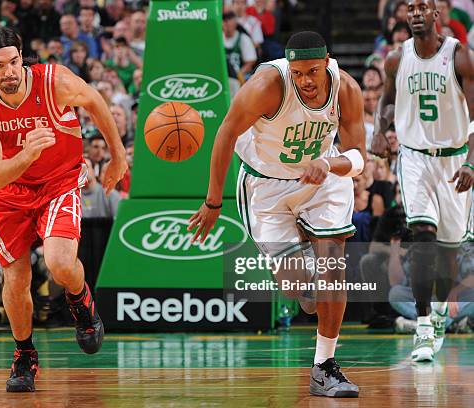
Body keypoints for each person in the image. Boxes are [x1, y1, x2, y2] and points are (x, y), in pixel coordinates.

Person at [188, 31, 366, 398]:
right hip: (266, 185)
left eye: (313, 71)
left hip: (321, 177)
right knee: (300, 290)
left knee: (333, 268)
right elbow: (224, 134)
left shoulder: (346, 89)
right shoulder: (267, 85)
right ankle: (302, 253)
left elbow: (360, 157)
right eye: (298, 72)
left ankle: (324, 367)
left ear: (328, 62)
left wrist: (329, 163)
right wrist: (212, 202)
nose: (305, 80)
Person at [0, 26, 127, 393]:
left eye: (15, 61)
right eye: (0, 65)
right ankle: (25, 355)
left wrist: (117, 155)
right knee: (16, 278)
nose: (9, 71)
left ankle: (81, 301)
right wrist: (27, 153)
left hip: (58, 182)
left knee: (60, 264)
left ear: (23, 58)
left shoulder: (54, 81)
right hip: (5, 195)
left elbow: (96, 101)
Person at [372, 0, 473, 362]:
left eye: (422, 7)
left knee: (448, 256)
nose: (414, 12)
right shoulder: (396, 59)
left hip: (455, 161)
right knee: (422, 235)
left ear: (436, 15)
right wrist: (380, 131)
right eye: (409, 7)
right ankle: (424, 326)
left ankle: (442, 312)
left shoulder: (460, 57)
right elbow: (386, 101)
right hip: (414, 158)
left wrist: (472, 165)